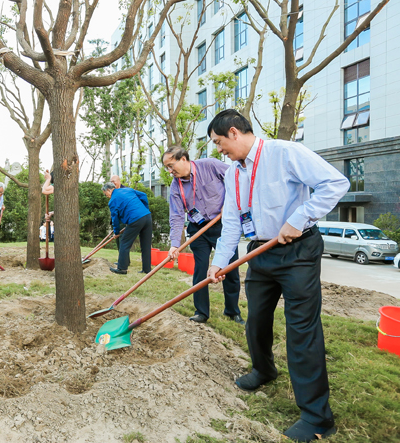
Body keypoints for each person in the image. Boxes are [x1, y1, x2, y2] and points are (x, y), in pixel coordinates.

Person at [205, 109, 348, 442]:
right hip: (260, 252)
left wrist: (300, 217)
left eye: (219, 142)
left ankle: (317, 417)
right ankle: (264, 369)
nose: (219, 150)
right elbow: (231, 223)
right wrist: (219, 262)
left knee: (301, 329)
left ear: (234, 132)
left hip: (298, 251)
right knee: (256, 319)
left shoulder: (285, 152)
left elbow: (335, 183)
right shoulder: (233, 173)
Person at [163, 145, 243, 325]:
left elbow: (236, 178)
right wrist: (175, 244)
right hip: (197, 229)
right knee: (200, 270)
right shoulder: (175, 187)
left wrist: (230, 203)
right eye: (166, 168)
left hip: (222, 224)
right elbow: (176, 216)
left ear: (183, 159)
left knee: (230, 268)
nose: (169, 171)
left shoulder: (210, 165)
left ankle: (232, 311)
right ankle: (201, 312)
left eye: (171, 165)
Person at [102, 182, 152, 275]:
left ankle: (122, 269)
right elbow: (144, 195)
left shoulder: (113, 200)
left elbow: (115, 218)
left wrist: (116, 232)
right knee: (146, 245)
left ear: (109, 190)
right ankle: (147, 269)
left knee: (124, 242)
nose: (107, 197)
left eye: (106, 194)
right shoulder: (127, 189)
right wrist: (145, 209)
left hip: (135, 219)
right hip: (147, 216)